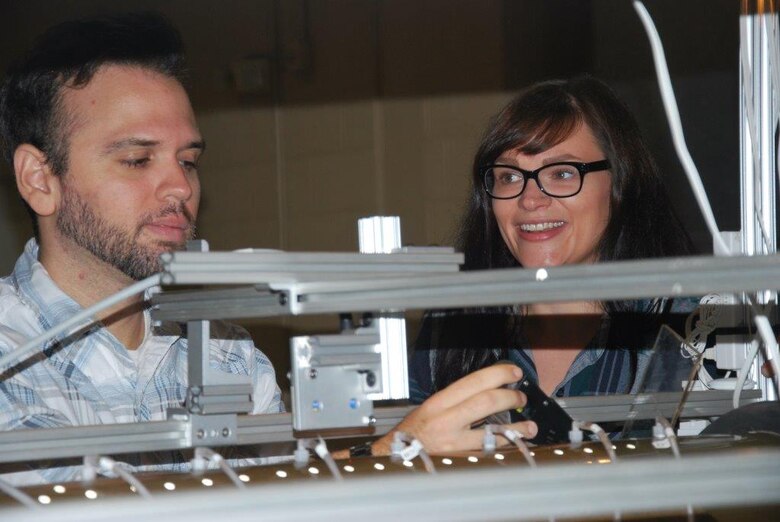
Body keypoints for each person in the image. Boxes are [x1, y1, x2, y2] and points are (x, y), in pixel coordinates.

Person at [364, 77, 697, 457]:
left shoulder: (685, 325)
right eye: (509, 177)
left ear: (620, 183)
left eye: (562, 173)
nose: (530, 199)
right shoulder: (455, 326)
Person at [0, 12, 283, 435]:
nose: (181, 189)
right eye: (137, 160)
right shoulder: (10, 358)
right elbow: (75, 499)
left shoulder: (229, 357)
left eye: (188, 162)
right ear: (39, 179)